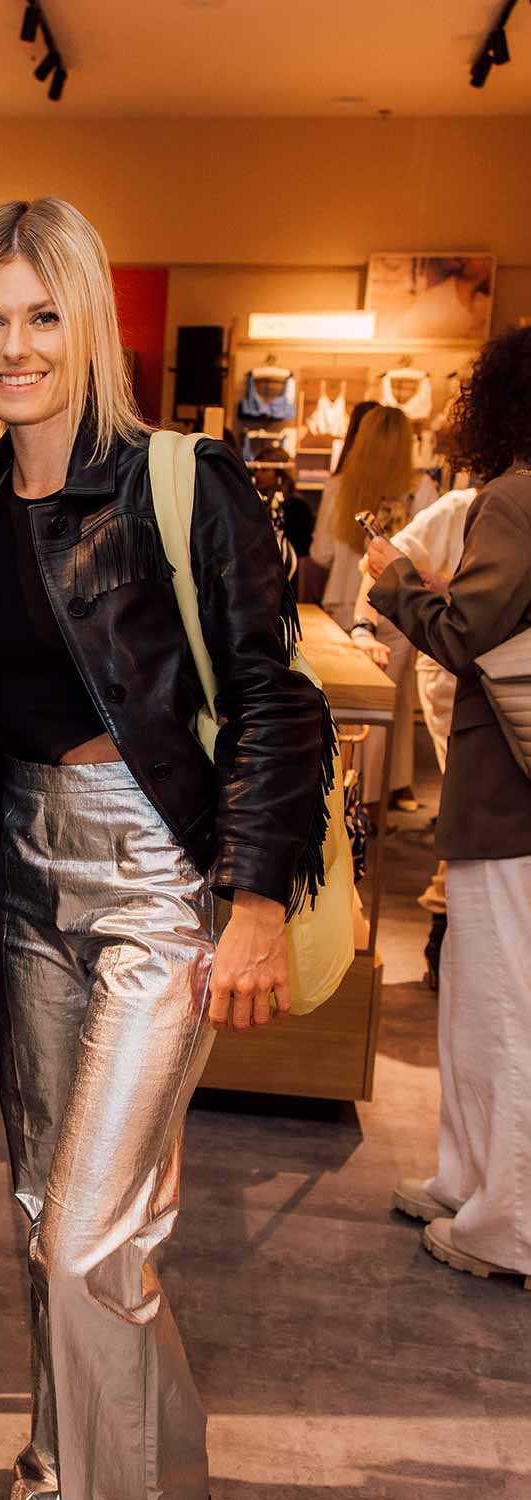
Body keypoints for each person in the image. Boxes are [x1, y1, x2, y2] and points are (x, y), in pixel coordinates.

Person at [0, 198, 329, 1500]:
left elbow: (274, 692)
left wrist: (255, 898)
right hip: (22, 877)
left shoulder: (178, 480)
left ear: (92, 322)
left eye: (43, 315)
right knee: (42, 1219)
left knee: (91, 1240)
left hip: (156, 878)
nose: (15, 347)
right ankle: (68, 1467)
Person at [366, 324, 531, 1289]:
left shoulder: (513, 497)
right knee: (482, 994)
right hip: (508, 796)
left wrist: (398, 586)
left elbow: (468, 633)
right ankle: (469, 1184)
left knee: (500, 1005)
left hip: (505, 793)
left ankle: (507, 1219)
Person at [348, 481, 476, 987]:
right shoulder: (462, 507)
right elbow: (379, 561)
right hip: (456, 680)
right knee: (468, 804)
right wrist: (363, 628)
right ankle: (444, 935)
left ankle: (449, 935)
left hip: (499, 680)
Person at [310, 404, 438, 808]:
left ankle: (334, 796)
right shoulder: (422, 489)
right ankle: (369, 800)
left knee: (340, 707)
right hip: (396, 610)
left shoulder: (339, 485)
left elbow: (322, 552)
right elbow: (427, 560)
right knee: (385, 707)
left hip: (341, 603)